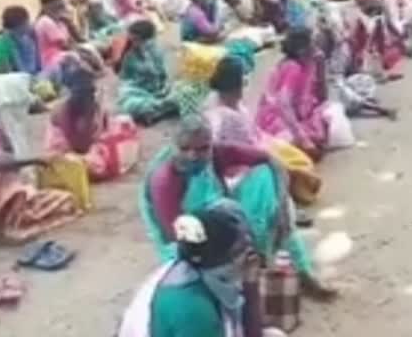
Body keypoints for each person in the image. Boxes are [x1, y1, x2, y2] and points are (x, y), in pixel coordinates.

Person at [140, 116, 334, 299]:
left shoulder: (216, 154)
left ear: (210, 145)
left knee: (266, 178)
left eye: (202, 149)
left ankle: (300, 269)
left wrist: (282, 194)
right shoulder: (165, 181)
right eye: (185, 149)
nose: (193, 156)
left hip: (225, 221)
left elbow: (266, 158)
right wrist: (222, 247)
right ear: (174, 147)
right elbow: (177, 235)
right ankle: (247, 270)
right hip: (192, 240)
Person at [121, 201, 287, 337]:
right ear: (219, 259)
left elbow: (252, 332)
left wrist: (250, 282)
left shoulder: (201, 273)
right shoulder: (194, 308)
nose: (248, 254)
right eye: (239, 250)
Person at [0, 73, 79, 245]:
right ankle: (3, 224)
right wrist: (37, 159)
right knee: (66, 202)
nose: (19, 110)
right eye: (15, 106)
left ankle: (9, 215)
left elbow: (35, 105)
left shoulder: (5, 126)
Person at [206, 57, 322, 205]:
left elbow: (252, 131)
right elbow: (215, 143)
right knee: (285, 171)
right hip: (240, 161)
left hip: (259, 144)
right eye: (243, 80)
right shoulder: (217, 113)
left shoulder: (235, 102)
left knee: (301, 160)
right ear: (236, 84)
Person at [45, 69, 139, 182]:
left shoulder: (102, 111)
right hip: (75, 156)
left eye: (85, 93)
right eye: (78, 93)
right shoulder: (60, 114)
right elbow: (54, 152)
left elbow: (108, 144)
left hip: (98, 152)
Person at [255, 28, 329, 160]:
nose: (316, 48)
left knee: (325, 116)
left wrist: (320, 69)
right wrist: (303, 139)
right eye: (312, 44)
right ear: (302, 50)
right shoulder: (292, 68)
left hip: (292, 116)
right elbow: (283, 104)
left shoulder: (307, 65)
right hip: (276, 119)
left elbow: (323, 98)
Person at [118, 20, 205, 125]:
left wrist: (168, 87)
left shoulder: (162, 51)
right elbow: (126, 81)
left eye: (137, 40)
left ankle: (156, 112)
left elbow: (174, 76)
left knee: (188, 91)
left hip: (167, 91)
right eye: (132, 40)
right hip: (143, 94)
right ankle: (163, 109)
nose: (134, 44)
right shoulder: (130, 56)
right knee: (128, 105)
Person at [0, 6, 41, 78]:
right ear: (20, 26)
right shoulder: (0, 43)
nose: (29, 25)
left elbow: (35, 66)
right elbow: (4, 73)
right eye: (26, 22)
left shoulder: (25, 38)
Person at [34, 0, 78, 70]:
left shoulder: (58, 19)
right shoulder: (45, 21)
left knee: (84, 51)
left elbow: (71, 40)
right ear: (52, 2)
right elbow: (64, 44)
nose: (63, 0)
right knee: (77, 56)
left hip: (60, 56)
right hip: (50, 60)